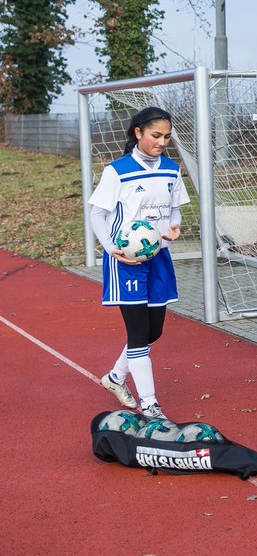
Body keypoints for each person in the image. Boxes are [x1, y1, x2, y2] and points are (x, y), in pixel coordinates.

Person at [92, 106, 191, 419]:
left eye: (166, 137)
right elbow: (97, 214)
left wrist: (173, 227)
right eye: (155, 135)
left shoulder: (171, 169)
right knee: (137, 333)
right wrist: (111, 248)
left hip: (158, 257)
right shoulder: (117, 170)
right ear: (138, 133)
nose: (162, 142)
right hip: (126, 262)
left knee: (154, 331)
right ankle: (150, 403)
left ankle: (116, 377)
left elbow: (175, 210)